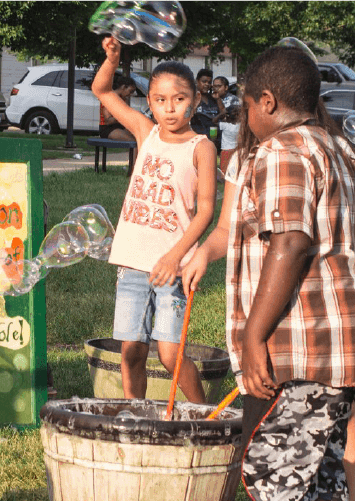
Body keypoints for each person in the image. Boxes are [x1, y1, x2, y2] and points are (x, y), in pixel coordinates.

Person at [182, 46, 355, 500]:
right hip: (335, 346)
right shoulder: (337, 147)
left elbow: (292, 242)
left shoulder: (282, 149)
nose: (245, 117)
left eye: (245, 105)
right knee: (318, 479)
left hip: (298, 349)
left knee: (272, 474)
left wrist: (253, 335)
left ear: (267, 102)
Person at [92, 36, 216, 403]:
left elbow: (207, 210)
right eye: (160, 100)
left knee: (169, 354)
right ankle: (136, 415)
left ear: (194, 100)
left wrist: (175, 256)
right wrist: (112, 59)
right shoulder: (145, 133)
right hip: (132, 264)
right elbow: (101, 89)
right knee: (131, 350)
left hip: (172, 268)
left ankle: (204, 417)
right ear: (150, 103)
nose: (170, 109)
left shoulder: (202, 147)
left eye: (179, 99)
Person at [211, 76, 241, 175]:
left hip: (228, 139)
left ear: (226, 87)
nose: (216, 89)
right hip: (215, 134)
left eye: (219, 86)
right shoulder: (210, 98)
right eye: (214, 86)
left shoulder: (233, 100)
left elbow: (229, 116)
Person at [99, 74, 137, 143]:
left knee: (141, 138)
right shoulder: (109, 98)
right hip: (107, 128)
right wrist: (124, 116)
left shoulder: (123, 99)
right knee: (133, 141)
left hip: (119, 126)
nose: (130, 94)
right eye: (130, 91)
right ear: (123, 87)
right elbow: (108, 121)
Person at [191, 68, 219, 141]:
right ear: (197, 81)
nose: (207, 84)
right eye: (204, 81)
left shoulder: (213, 99)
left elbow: (221, 115)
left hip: (213, 140)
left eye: (209, 82)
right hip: (197, 140)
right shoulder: (191, 99)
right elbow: (186, 116)